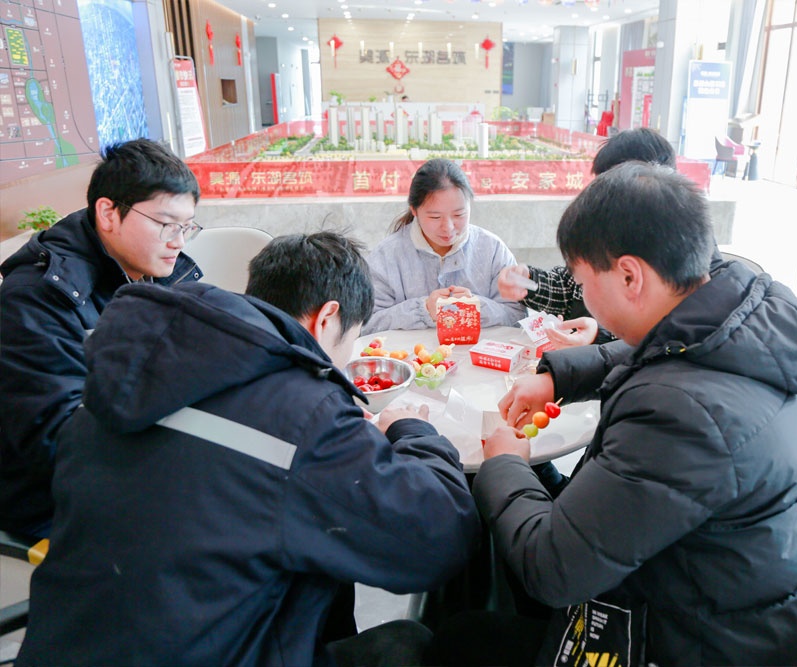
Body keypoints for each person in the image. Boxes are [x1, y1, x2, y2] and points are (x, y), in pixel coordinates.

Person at [15, 231, 481, 667]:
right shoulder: (303, 413)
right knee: (409, 643)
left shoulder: (121, 373)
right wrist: (413, 432)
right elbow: (437, 539)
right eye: (353, 338)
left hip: (66, 645)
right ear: (327, 319)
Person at [429, 163, 797, 666]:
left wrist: (504, 461)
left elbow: (551, 570)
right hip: (710, 597)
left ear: (630, 276)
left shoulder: (682, 416)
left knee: (456, 639)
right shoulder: (735, 311)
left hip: (688, 643)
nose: (582, 296)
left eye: (581, 281)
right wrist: (557, 377)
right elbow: (659, 348)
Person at [0, 138, 203, 539]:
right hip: (55, 502)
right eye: (166, 224)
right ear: (108, 213)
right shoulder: (38, 297)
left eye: (186, 227)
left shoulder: (159, 272)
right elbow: (56, 439)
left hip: (133, 471)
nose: (179, 242)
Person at [496, 127, 678, 348]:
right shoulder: (610, 229)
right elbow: (570, 287)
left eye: (612, 188)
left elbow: (662, 341)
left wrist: (599, 336)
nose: (603, 199)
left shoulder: (677, 261)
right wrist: (530, 281)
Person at [363, 158, 525, 333]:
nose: (448, 227)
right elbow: (364, 324)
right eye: (435, 217)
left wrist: (479, 308)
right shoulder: (386, 256)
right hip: (409, 352)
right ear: (414, 210)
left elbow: (518, 317)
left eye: (459, 214)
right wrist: (423, 309)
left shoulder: (492, 250)